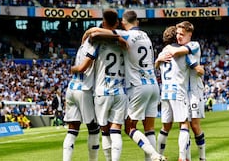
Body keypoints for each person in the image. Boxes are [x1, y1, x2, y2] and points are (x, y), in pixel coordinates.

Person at [83, 10, 166, 161]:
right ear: (137, 22)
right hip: (154, 85)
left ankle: (154, 155)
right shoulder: (146, 36)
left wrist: (89, 31)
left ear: (123, 23)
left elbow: (98, 32)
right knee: (149, 130)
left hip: (138, 85)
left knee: (129, 127)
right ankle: (154, 157)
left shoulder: (127, 34)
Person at [71, 9, 128, 161]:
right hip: (120, 90)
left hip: (102, 91)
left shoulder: (97, 41)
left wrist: (74, 68)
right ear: (117, 23)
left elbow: (93, 34)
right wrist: (118, 37)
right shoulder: (126, 38)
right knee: (116, 131)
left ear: (103, 22)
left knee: (104, 131)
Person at [155, 22, 205, 161]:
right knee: (184, 124)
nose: (179, 37)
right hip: (179, 91)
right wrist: (200, 69)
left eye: (181, 34)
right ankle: (183, 157)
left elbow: (157, 65)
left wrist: (158, 60)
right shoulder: (183, 54)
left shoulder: (164, 52)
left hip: (165, 92)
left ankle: (158, 155)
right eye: (177, 34)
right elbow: (198, 69)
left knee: (166, 127)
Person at [62, 18, 100, 161]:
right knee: (93, 129)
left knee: (72, 129)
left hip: (71, 88)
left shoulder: (82, 45)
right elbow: (84, 67)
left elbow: (86, 33)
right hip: (84, 90)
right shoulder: (93, 47)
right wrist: (74, 68)